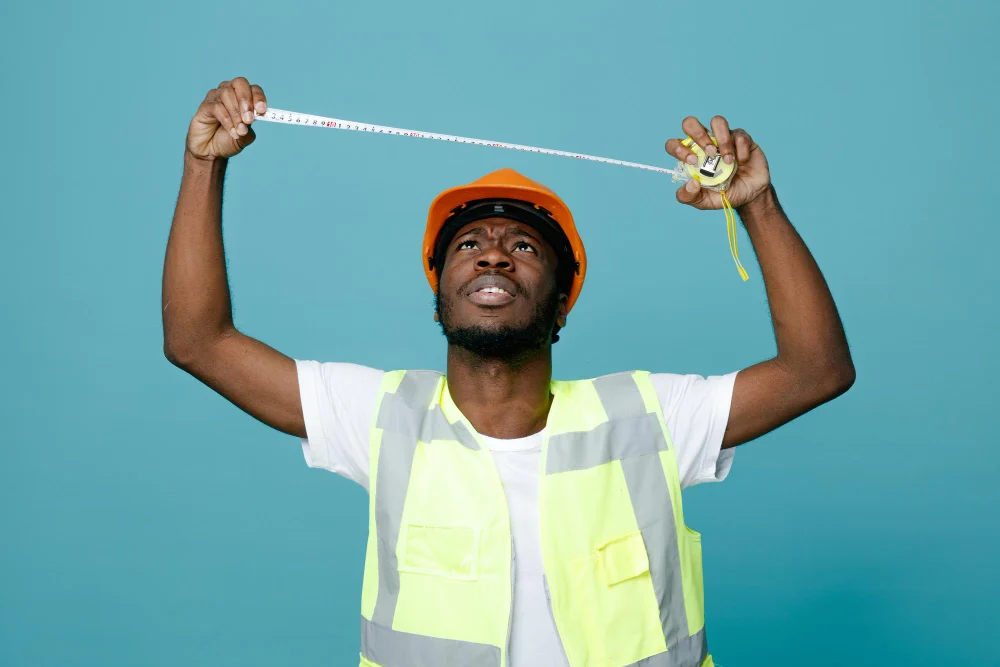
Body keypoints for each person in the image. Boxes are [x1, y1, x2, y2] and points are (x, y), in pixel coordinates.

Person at [162, 77, 855, 667]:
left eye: (522, 244)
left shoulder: (647, 417)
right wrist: (204, 166)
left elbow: (816, 370)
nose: (492, 255)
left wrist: (757, 204)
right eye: (469, 243)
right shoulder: (380, 416)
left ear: (561, 304)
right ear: (439, 298)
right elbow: (199, 341)